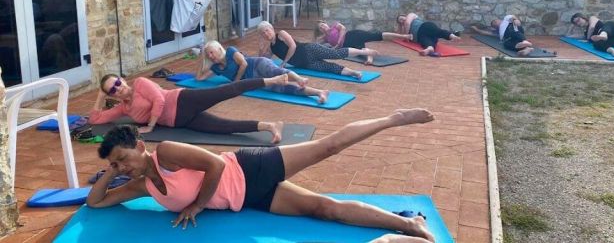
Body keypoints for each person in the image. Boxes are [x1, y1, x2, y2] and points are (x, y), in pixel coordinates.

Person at [86, 109, 436, 242]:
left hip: (250, 167)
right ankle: (410, 225)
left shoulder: (166, 152)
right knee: (324, 208)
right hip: (249, 199)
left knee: (328, 148)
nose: (123, 166)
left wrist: (196, 206)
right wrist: (107, 171)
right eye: (117, 164)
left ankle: (392, 119)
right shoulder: (141, 186)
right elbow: (96, 203)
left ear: (140, 145)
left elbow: (217, 165)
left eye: (123, 158)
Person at [89, 74, 288, 143]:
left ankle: (272, 80)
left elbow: (159, 100)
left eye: (117, 83)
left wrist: (150, 126)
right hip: (180, 121)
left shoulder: (140, 83)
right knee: (224, 127)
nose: (118, 89)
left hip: (183, 100)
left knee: (226, 90)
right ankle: (270, 126)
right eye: (112, 90)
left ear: (122, 79)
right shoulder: (125, 109)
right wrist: (100, 96)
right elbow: (96, 119)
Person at [197, 40, 330, 104]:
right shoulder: (216, 68)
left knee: (276, 71)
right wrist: (201, 59)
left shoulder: (231, 51)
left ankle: (300, 79)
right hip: (255, 81)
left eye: (211, 53)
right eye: (208, 55)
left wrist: (236, 82)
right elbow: (200, 78)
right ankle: (319, 93)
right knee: (284, 89)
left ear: (219, 49)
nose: (211, 56)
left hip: (257, 65)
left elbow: (243, 64)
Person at [257, 21, 378, 80]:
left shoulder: (281, 34)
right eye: (263, 33)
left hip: (309, 50)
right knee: (330, 68)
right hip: (305, 64)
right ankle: (354, 73)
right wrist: (261, 47)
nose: (266, 34)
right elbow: (263, 60)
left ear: (272, 29)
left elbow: (293, 46)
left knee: (335, 54)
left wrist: (284, 63)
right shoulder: (271, 47)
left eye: (267, 30)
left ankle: (364, 52)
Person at [314, 21, 412, 64]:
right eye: (320, 27)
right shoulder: (325, 38)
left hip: (353, 35)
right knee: (361, 52)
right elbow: (316, 43)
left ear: (326, 23)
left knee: (378, 35)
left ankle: (403, 36)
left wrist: (338, 43)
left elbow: (343, 29)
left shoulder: (335, 25)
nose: (323, 27)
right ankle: (370, 58)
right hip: (349, 45)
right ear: (320, 30)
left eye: (323, 24)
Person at [396, 13, 461, 57]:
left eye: (402, 18)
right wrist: (400, 26)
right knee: (426, 41)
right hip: (420, 37)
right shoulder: (404, 28)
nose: (402, 21)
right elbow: (399, 34)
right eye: (400, 21)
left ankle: (452, 36)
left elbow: (407, 23)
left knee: (438, 31)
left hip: (424, 27)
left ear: (405, 15)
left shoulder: (410, 15)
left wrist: (406, 36)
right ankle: (429, 49)